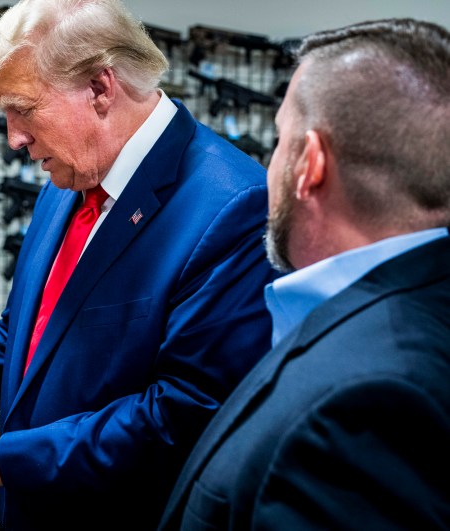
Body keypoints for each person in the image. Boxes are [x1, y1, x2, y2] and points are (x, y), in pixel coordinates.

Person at [0, 0, 280, 528]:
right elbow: (26, 334)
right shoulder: (68, 184)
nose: (14, 138)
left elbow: (189, 410)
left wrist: (2, 461)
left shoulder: (229, 203)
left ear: (101, 88)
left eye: (25, 109)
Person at [158, 18, 450, 530]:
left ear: (309, 163)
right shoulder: (418, 319)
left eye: (278, 142)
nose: (267, 166)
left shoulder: (366, 402)